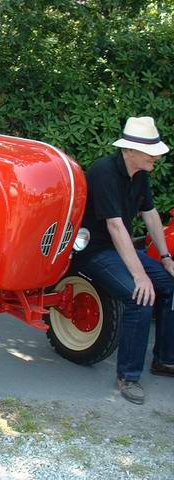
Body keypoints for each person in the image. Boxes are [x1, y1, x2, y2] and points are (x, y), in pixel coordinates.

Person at [75, 116, 174, 404]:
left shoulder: (140, 174)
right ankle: (128, 377)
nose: (157, 155)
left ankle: (165, 359)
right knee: (140, 296)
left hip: (120, 249)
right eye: (151, 150)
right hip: (95, 251)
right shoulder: (104, 172)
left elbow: (151, 214)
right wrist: (140, 276)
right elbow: (115, 227)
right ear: (130, 151)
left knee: (169, 283)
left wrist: (166, 258)